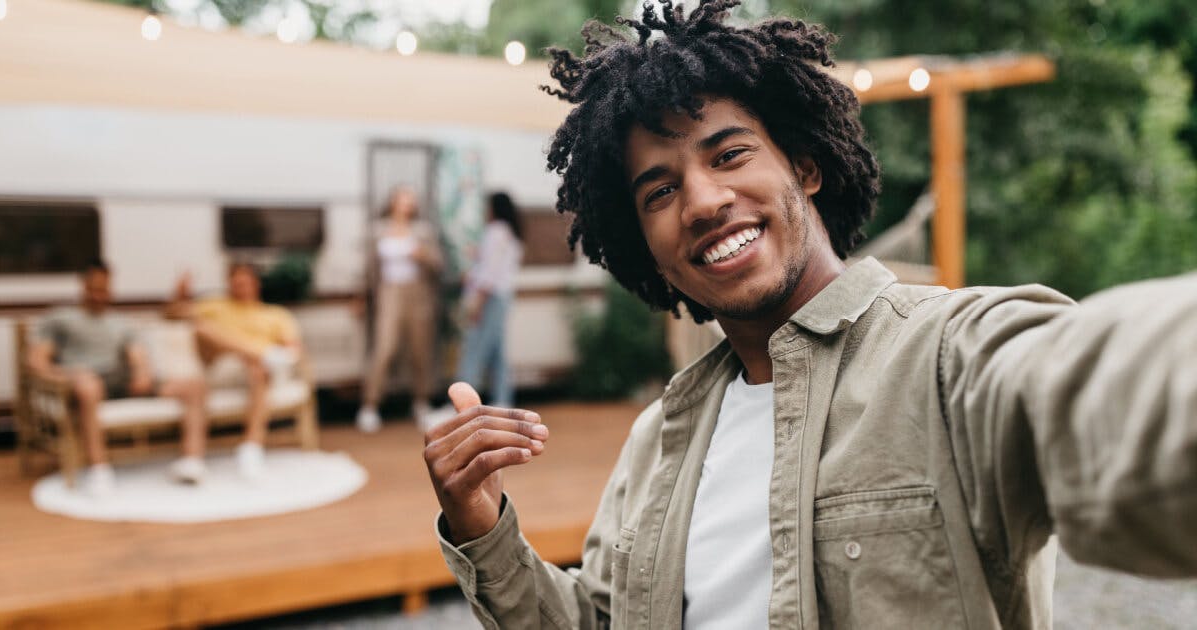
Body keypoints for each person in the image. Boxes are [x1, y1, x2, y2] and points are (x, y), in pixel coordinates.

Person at [422, 2, 1197, 628]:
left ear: (805, 167)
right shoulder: (659, 437)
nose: (702, 201)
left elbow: (1106, 385)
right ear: (646, 248)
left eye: (729, 155)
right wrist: (481, 526)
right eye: (659, 191)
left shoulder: (947, 356)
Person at [28, 261, 208, 496]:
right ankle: (99, 470)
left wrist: (141, 372)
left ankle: (191, 462)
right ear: (83, 286)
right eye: (94, 288)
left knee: (194, 386)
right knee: (88, 386)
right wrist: (69, 375)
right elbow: (37, 362)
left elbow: (136, 354)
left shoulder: (120, 322)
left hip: (121, 379)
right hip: (84, 379)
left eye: (104, 289)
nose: (99, 295)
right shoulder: (61, 319)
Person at [168, 262, 302, 478]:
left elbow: (293, 351)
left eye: (244, 282)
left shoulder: (276, 314)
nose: (239, 287)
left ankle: (251, 447)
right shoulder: (214, 305)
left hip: (256, 372)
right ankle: (258, 353)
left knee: (258, 368)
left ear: (256, 283)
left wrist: (258, 358)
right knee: (201, 327)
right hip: (222, 366)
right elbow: (171, 314)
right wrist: (179, 294)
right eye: (235, 282)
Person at [356, 186, 444, 433]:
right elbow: (369, 268)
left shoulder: (423, 231)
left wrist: (423, 255)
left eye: (411, 200)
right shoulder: (378, 230)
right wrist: (362, 297)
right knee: (385, 348)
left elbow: (438, 263)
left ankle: (421, 402)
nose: (407, 204)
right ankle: (370, 405)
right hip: (388, 293)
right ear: (393, 201)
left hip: (418, 294)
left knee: (420, 351)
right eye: (403, 198)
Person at [456, 192, 524, 407]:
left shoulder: (495, 232)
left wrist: (478, 302)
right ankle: (502, 402)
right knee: (497, 354)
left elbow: (489, 273)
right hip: (501, 298)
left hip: (489, 298)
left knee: (474, 350)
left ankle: (461, 406)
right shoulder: (511, 234)